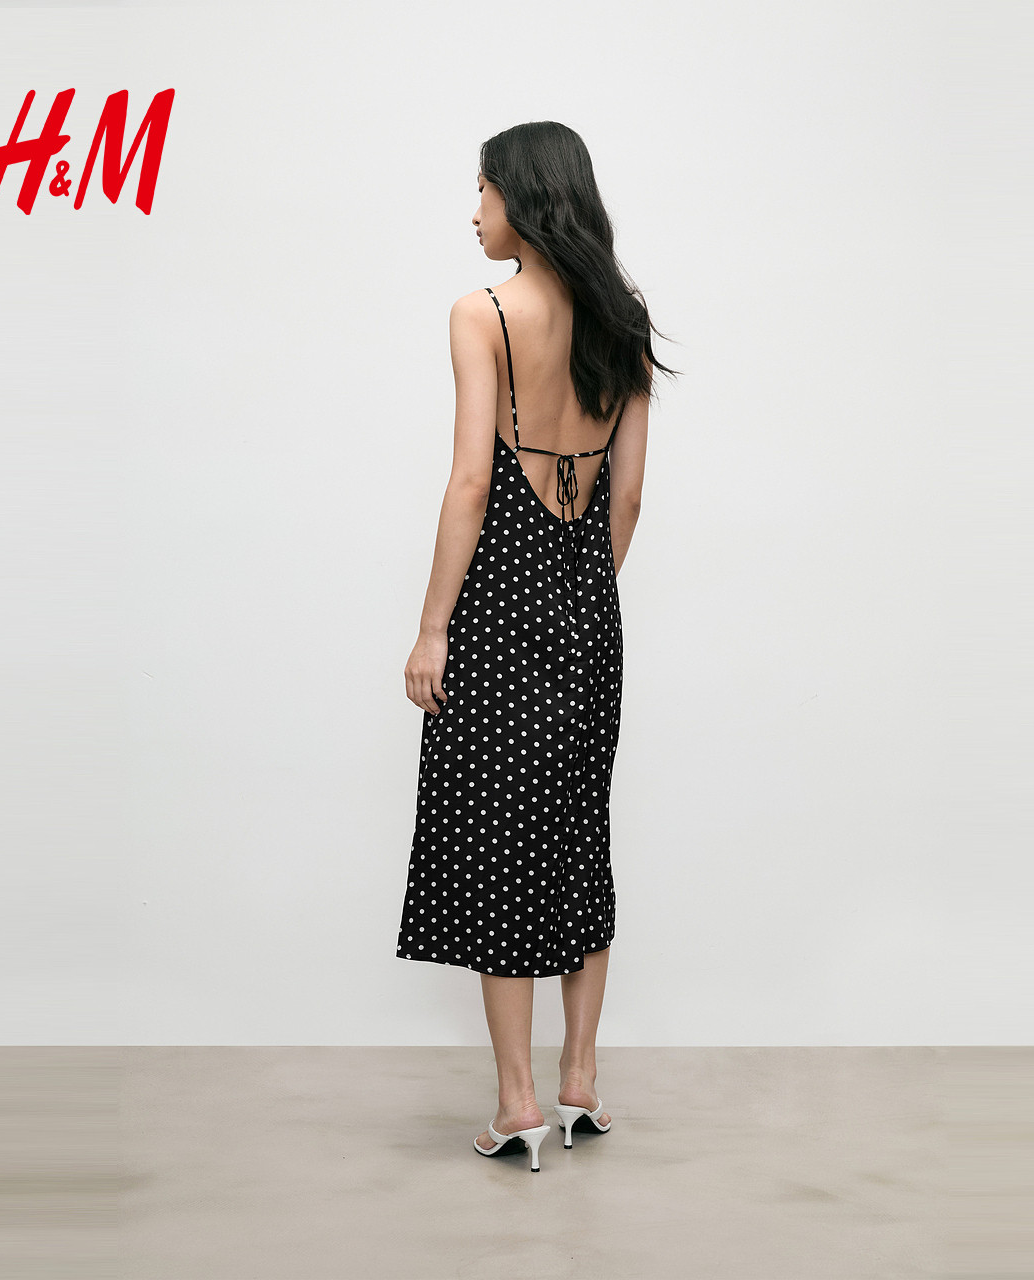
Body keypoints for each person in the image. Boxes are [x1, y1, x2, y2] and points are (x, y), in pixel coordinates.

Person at [396, 122, 677, 1171]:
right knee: (574, 837)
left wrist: (434, 627)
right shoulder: (622, 320)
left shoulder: (482, 315)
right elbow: (628, 497)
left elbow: (472, 480)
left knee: (494, 846)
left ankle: (517, 1101)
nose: (473, 212)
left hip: (495, 618)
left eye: (481, 191)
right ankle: (579, 1081)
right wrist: (580, 602)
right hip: (587, 619)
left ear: (521, 195)